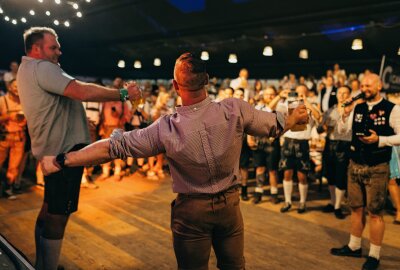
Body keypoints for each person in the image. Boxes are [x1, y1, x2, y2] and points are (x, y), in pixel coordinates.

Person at [40, 52, 308, 270]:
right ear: (207, 80)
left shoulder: (165, 128)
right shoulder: (235, 109)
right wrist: (295, 116)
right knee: (234, 266)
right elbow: (276, 124)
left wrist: (62, 160)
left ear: (176, 87)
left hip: (191, 212)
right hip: (230, 207)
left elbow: (112, 148)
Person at [16, 27, 141, 270]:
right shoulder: (42, 68)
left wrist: (77, 120)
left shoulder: (27, 69)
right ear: (35, 49)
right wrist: (123, 93)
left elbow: (55, 104)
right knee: (58, 215)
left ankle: (42, 263)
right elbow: (80, 91)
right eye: (53, 47)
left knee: (49, 208)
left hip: (53, 147)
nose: (59, 52)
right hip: (63, 152)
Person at [330, 73, 400, 270]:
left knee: (375, 212)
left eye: (368, 85)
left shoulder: (392, 109)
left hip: (377, 167)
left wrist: (380, 140)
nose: (364, 88)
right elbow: (343, 132)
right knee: (355, 207)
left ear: (379, 86)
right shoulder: (357, 107)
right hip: (355, 164)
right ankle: (354, 246)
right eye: (362, 85)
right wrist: (344, 115)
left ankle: (374, 255)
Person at [319, 86, 352, 219]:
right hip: (330, 143)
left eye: (345, 93)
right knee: (330, 175)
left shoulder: (353, 110)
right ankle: (333, 202)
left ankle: (338, 206)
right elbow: (320, 128)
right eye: (340, 93)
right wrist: (324, 127)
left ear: (350, 95)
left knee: (341, 176)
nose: (342, 95)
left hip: (344, 144)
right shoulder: (330, 110)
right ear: (336, 95)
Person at [0, 79, 27, 200]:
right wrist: (8, 116)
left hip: (19, 138)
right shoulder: (2, 101)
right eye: (15, 86)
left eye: (19, 86)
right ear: (9, 87)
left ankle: (8, 188)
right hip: (3, 137)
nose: (17, 88)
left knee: (14, 167)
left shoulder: (25, 102)